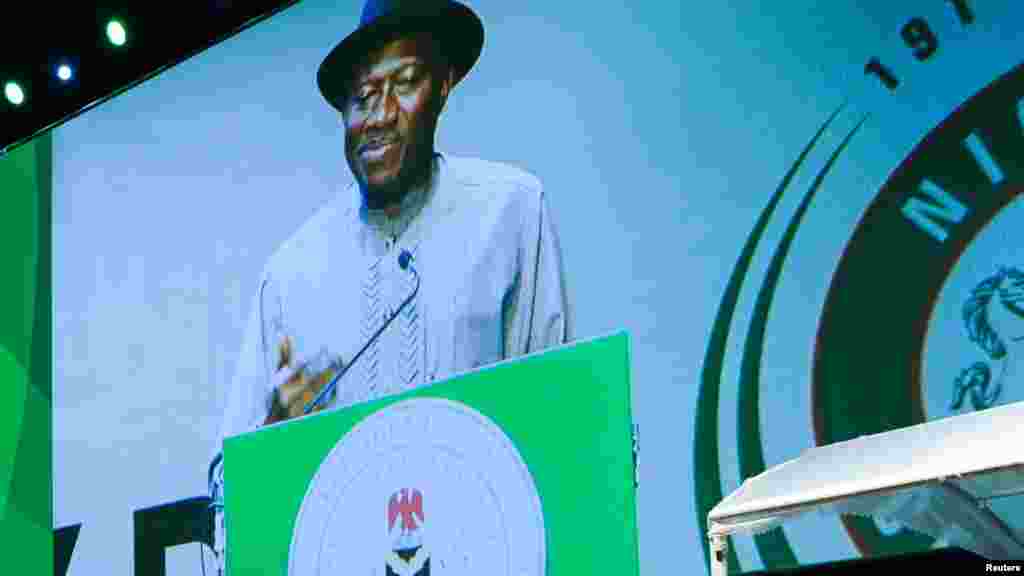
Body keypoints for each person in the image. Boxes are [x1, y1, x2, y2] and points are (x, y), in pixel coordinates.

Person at [207, 0, 572, 570]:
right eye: (360, 97)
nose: (377, 115)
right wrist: (275, 438)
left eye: (404, 83)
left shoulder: (512, 212)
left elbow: (559, 422)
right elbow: (228, 485)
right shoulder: (291, 271)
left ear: (445, 84)